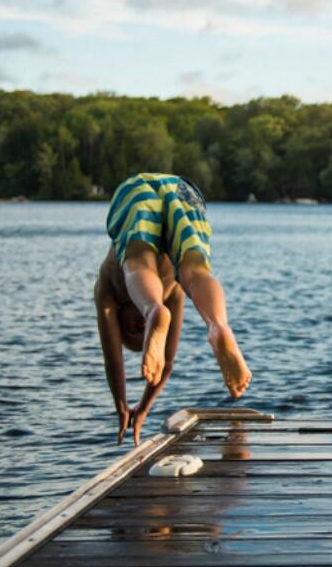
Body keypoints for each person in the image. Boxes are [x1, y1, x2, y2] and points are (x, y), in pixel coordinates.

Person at [95, 172, 251, 445]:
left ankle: (154, 308)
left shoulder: (107, 289)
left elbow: (113, 361)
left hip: (136, 190)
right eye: (145, 326)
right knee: (195, 270)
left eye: (135, 329)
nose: (140, 327)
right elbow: (165, 364)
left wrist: (122, 404)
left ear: (119, 320)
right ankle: (217, 325)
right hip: (179, 188)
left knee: (138, 262)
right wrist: (142, 408)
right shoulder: (173, 292)